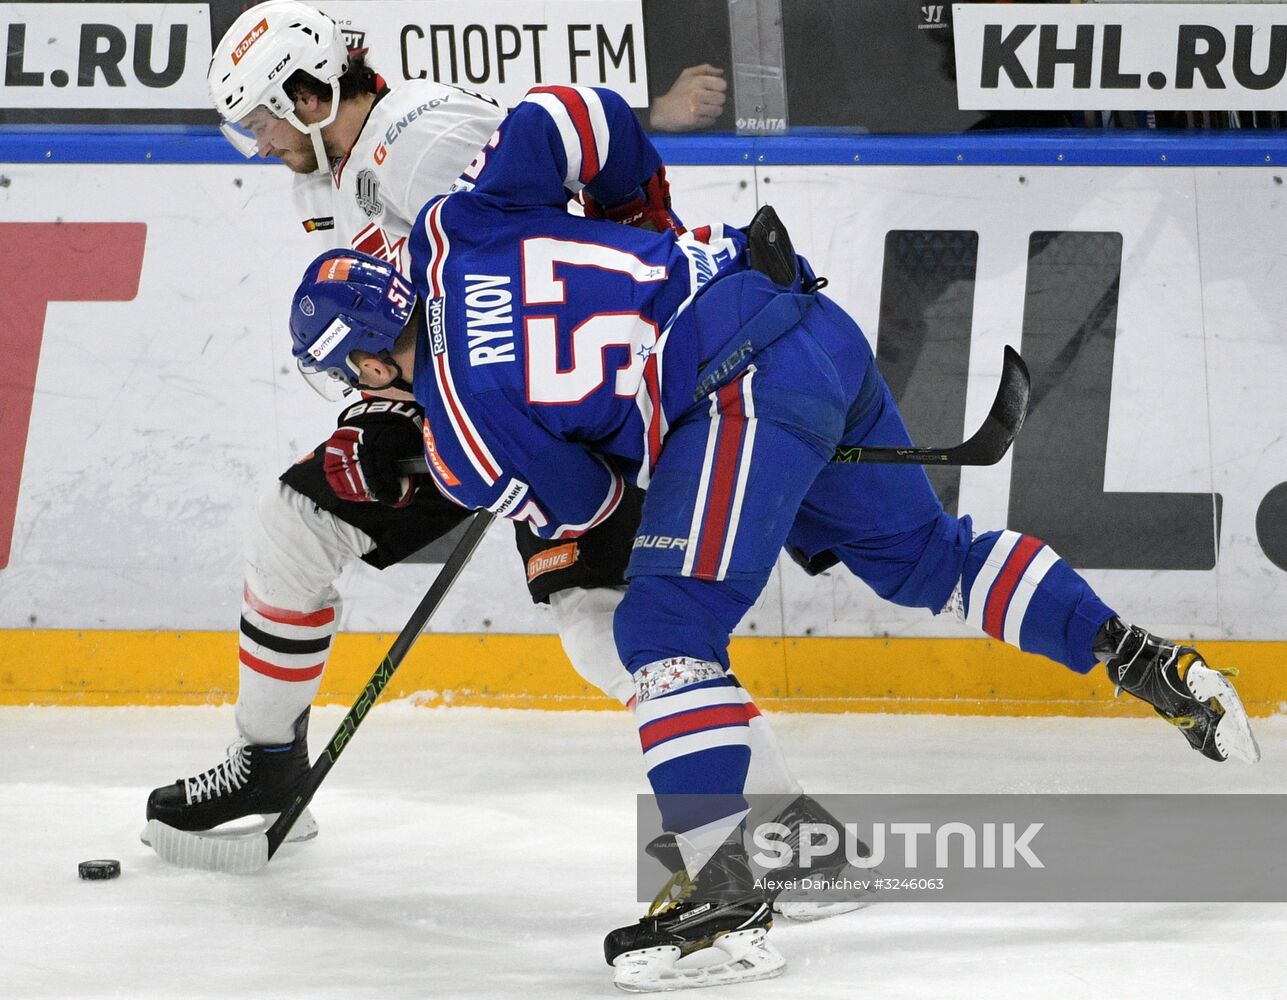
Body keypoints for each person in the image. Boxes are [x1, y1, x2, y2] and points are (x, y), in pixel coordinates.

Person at [285, 83, 1261, 991]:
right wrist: (644, 230)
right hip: (796, 308)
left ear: (371, 352)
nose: (363, 391)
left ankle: (723, 892)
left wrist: (639, 438)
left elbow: (590, 504)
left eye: (354, 375)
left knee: (662, 634)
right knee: (933, 560)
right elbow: (574, 112)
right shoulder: (471, 217)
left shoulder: (458, 439)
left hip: (733, 398)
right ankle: (1140, 657)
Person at [146, 0, 864, 923]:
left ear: (311, 93)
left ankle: (792, 842)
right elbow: (392, 325)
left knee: (604, 623)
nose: (258, 142)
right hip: (464, 403)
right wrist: (382, 414)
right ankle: (269, 760)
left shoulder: (426, 143)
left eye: (263, 120)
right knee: (292, 524)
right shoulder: (327, 173)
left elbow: (546, 253)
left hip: (560, 402)